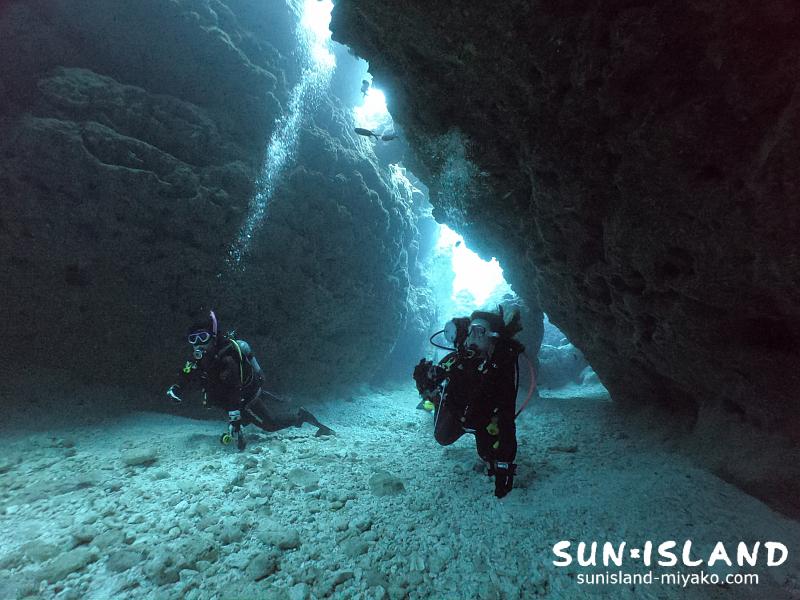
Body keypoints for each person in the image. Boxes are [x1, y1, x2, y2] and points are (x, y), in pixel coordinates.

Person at [166, 310, 333, 450]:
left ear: (213, 337)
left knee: (270, 425)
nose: (198, 344)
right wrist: (177, 388)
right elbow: (188, 372)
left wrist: (234, 421)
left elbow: (233, 390)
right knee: (242, 420)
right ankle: (251, 414)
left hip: (246, 397)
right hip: (232, 399)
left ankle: (301, 416)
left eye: (202, 337)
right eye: (193, 339)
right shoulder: (200, 359)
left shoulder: (228, 358)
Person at [413, 306, 524, 498]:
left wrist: (504, 465)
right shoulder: (458, 358)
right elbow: (436, 376)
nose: (472, 337)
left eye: (479, 331)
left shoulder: (502, 369)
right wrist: (424, 383)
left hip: (483, 422)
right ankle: (435, 402)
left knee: (489, 457)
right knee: (442, 437)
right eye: (470, 331)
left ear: (493, 338)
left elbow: (507, 417)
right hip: (457, 413)